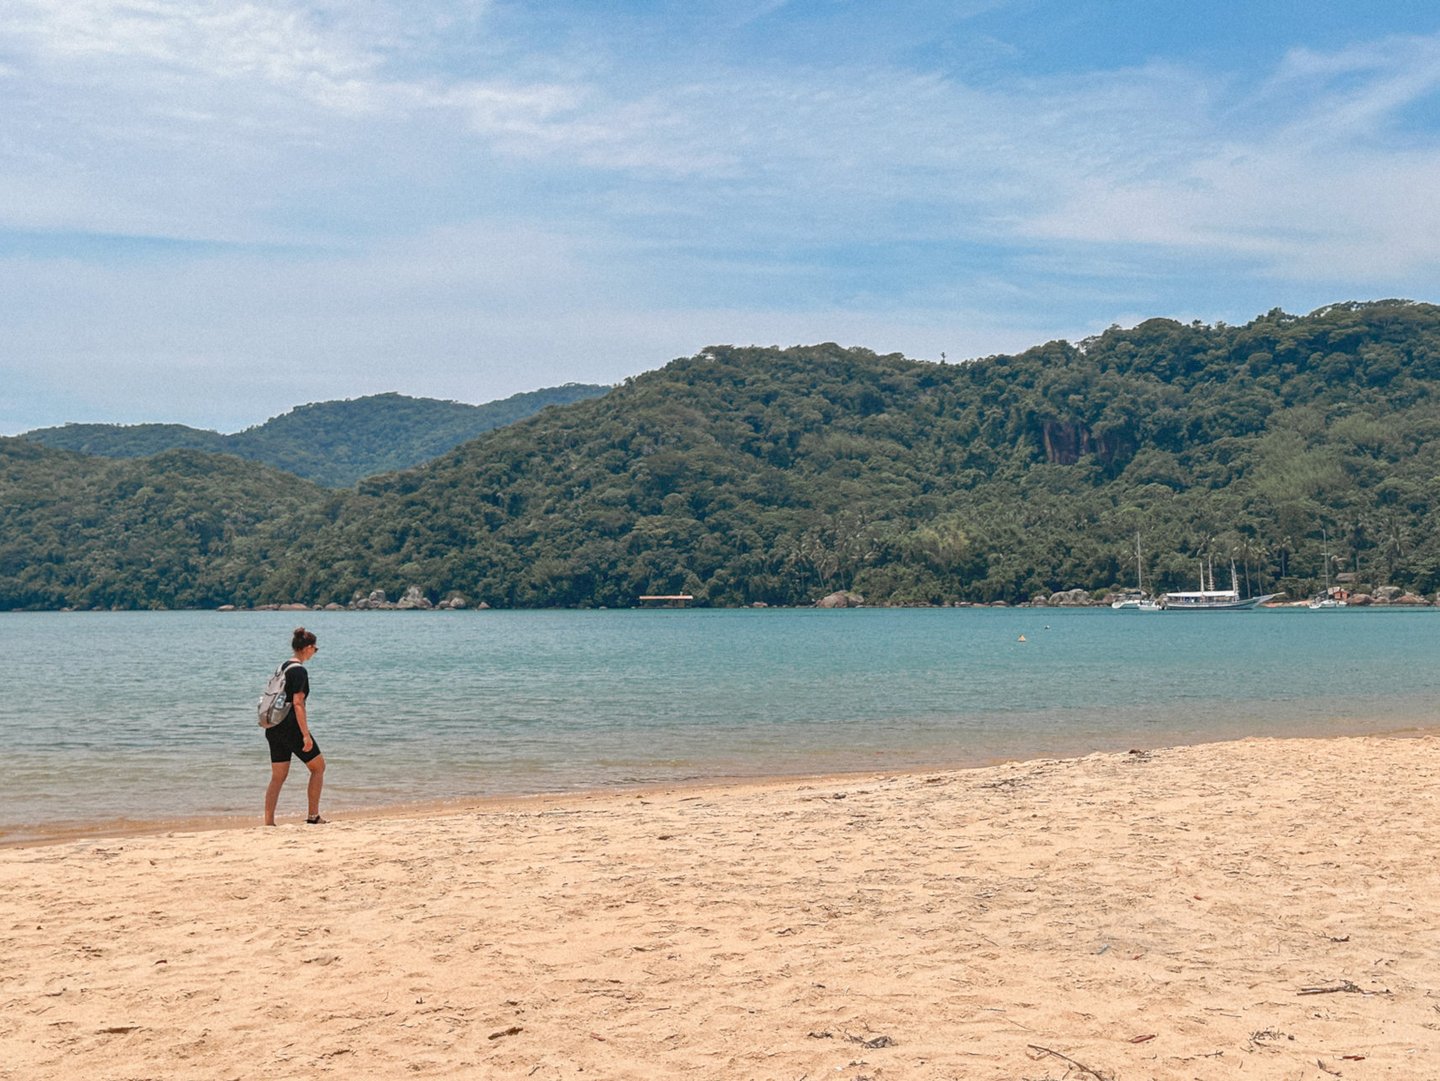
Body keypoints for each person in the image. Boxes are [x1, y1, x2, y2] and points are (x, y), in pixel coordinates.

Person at [263, 627, 327, 825]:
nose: (315, 652)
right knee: (318, 767)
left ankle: (268, 822)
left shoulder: (283, 667)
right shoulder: (299, 670)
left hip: (273, 725)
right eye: (315, 649)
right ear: (307, 648)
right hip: (291, 726)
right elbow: (298, 703)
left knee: (278, 776)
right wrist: (305, 735)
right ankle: (313, 816)